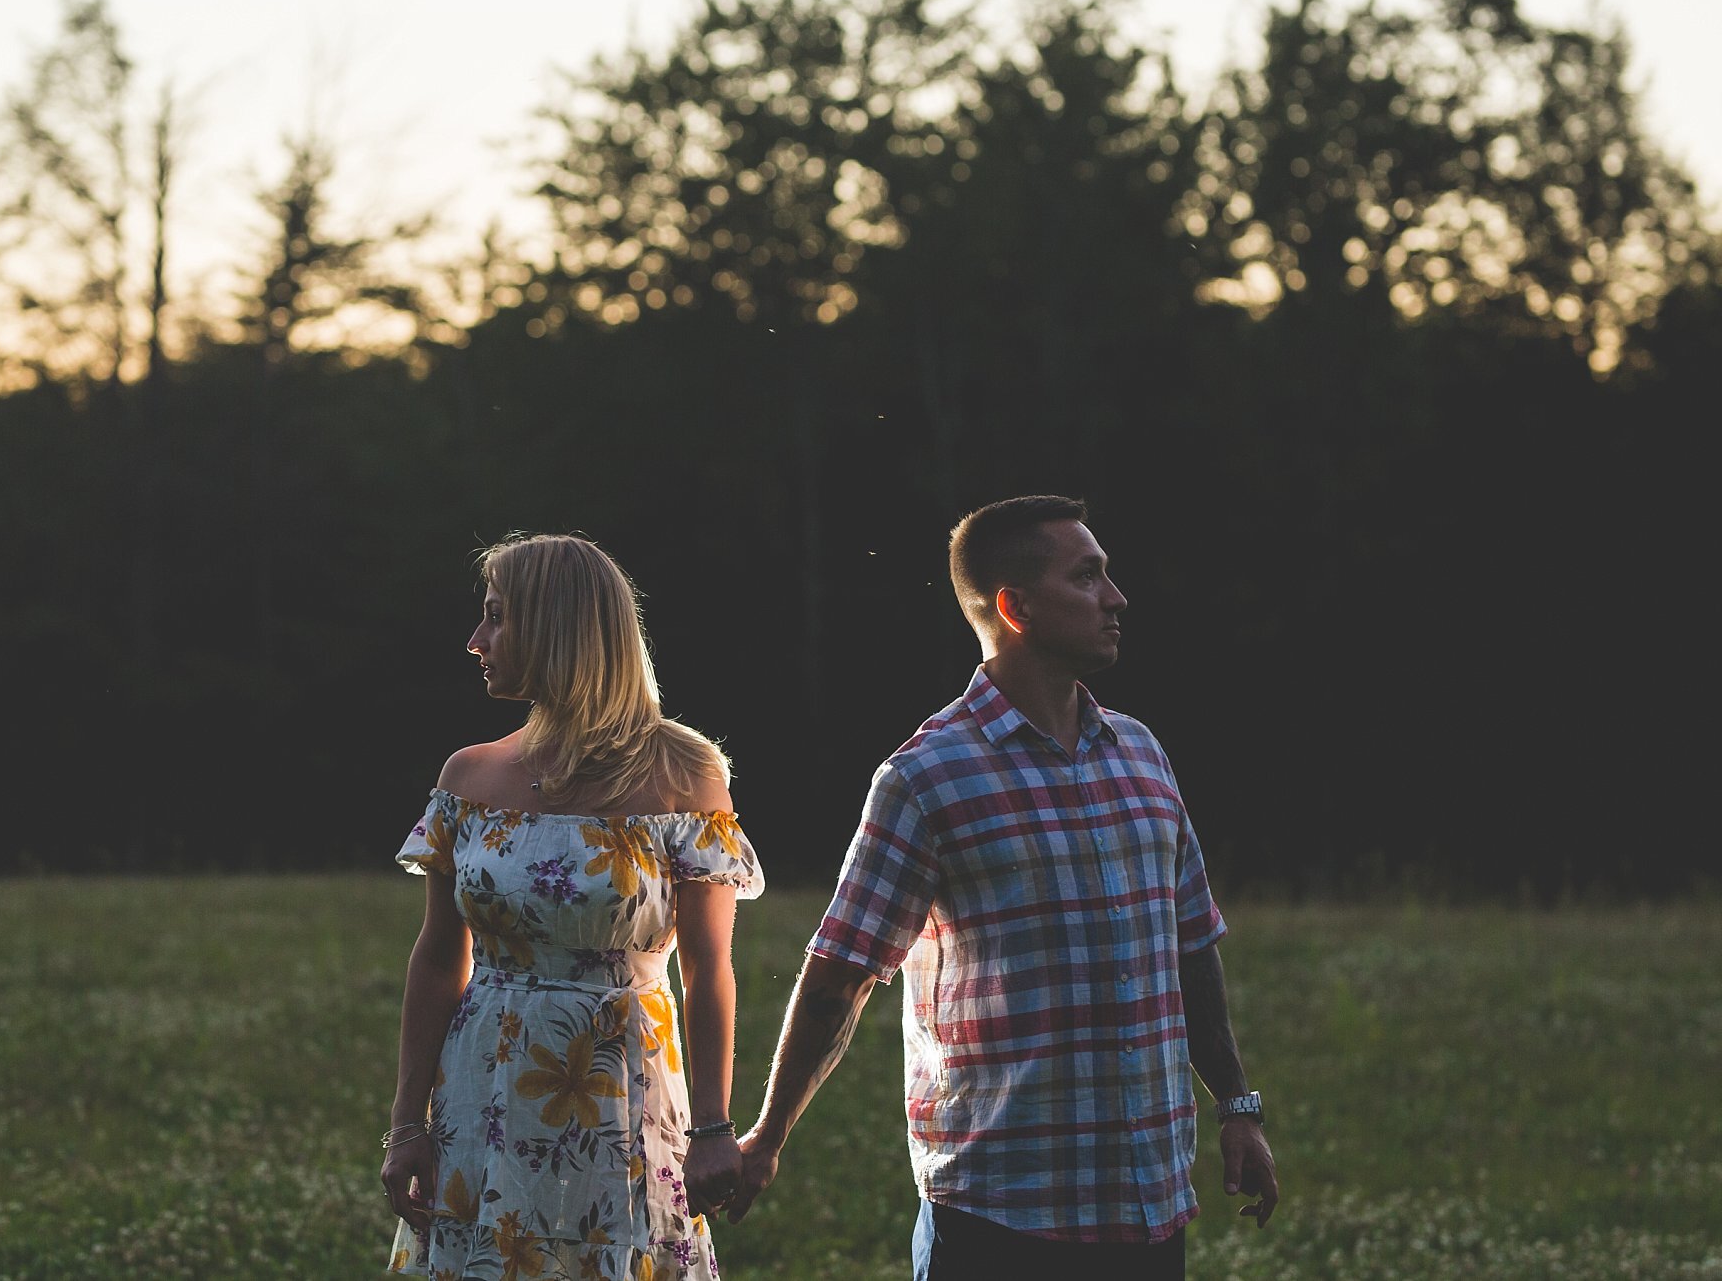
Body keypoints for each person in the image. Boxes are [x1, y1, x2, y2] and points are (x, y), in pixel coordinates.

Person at [727, 495, 1278, 1279]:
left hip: (1148, 1205)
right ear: (1016, 606)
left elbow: (1191, 942)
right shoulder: (926, 777)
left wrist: (1237, 1104)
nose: (1115, 598)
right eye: (1087, 577)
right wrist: (768, 1136)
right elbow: (839, 974)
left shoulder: (1143, 753)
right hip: (999, 1217)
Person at [382, 532, 764, 1281]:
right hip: (483, 1085)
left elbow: (709, 966)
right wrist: (404, 1125)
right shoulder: (469, 775)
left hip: (626, 1087)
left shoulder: (685, 774)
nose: (475, 641)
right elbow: (437, 955)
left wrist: (714, 1125)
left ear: (555, 629)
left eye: (496, 618)